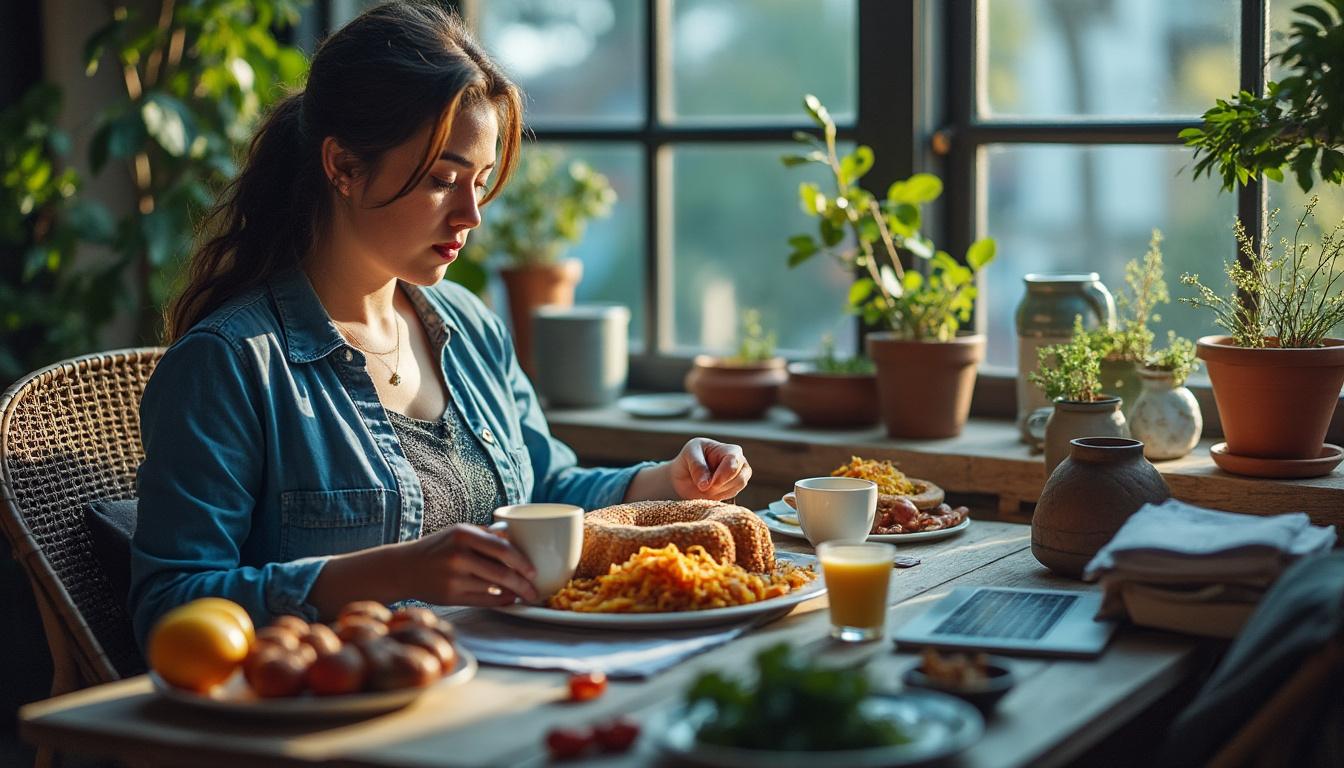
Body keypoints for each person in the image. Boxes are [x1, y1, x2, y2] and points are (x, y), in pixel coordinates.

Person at [128, 2, 752, 651]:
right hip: (341, 719)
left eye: (481, 181)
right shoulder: (230, 364)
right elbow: (169, 609)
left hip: (512, 682)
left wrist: (666, 481)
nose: (471, 214)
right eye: (443, 180)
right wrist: (391, 572)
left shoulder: (470, 325)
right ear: (342, 165)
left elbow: (543, 486)